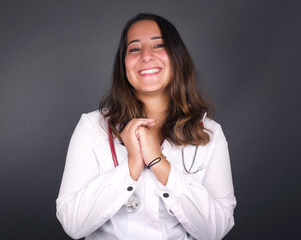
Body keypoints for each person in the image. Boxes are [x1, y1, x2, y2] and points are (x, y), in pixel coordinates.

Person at [56, 13, 236, 240]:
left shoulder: (209, 133)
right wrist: (132, 166)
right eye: (134, 49)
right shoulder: (92, 127)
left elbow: (216, 230)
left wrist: (158, 162)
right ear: (124, 64)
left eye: (159, 45)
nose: (146, 56)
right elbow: (73, 224)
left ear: (177, 57)